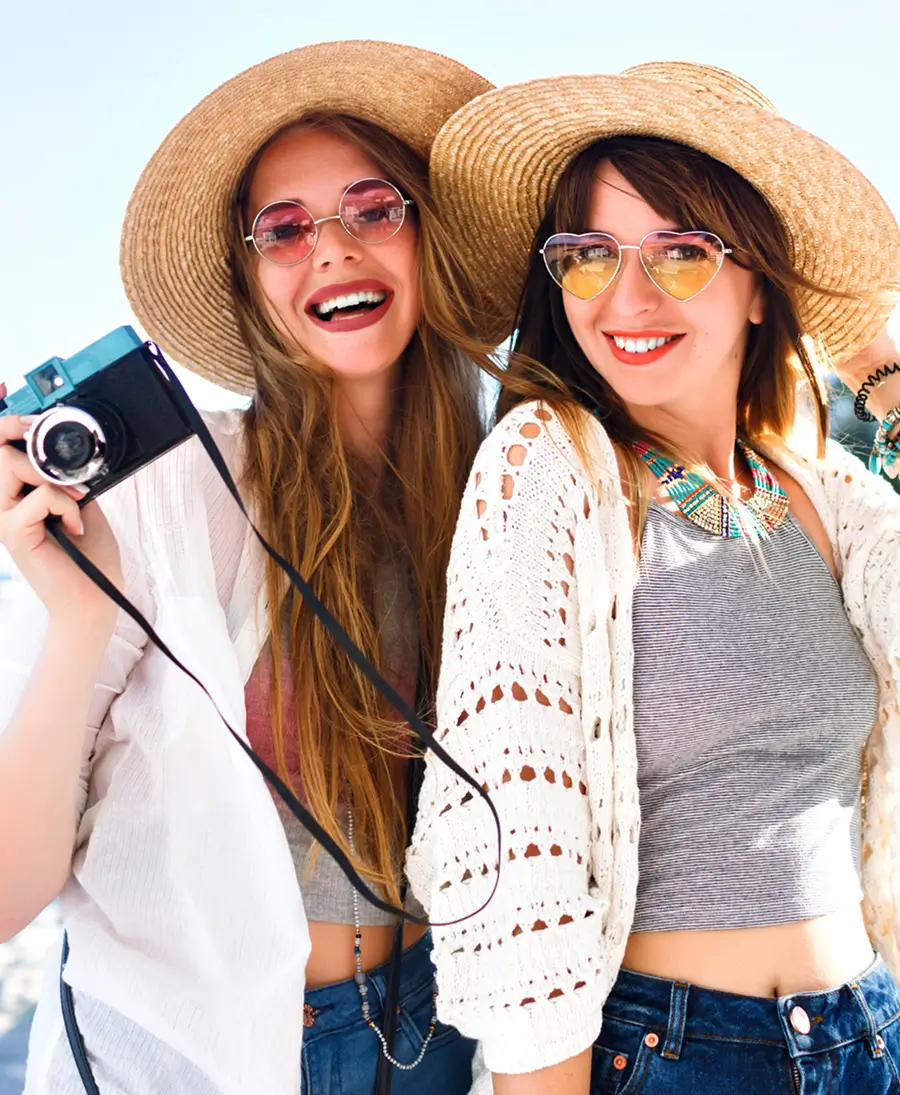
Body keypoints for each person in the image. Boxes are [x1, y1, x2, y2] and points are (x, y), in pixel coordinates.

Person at [0, 40, 493, 1095]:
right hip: (194, 1061)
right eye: (283, 229)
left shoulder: (501, 489)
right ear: (249, 272)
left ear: (428, 236)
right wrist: (74, 614)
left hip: (443, 1038)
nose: (330, 250)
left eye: (374, 208)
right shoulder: (168, 488)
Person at [406, 63, 900, 1093]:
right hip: (674, 1051)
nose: (626, 298)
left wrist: (881, 369)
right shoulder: (549, 467)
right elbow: (517, 837)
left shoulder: (823, 492)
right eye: (588, 257)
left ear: (759, 283)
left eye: (680, 253)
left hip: (868, 1029)